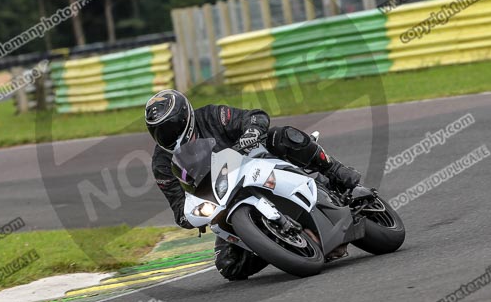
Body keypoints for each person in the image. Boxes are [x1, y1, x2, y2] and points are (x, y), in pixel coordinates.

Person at [145, 89, 361, 280]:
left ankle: (335, 170)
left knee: (282, 136)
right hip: (222, 202)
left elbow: (255, 116)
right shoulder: (161, 164)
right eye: (160, 132)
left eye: (171, 127)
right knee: (228, 266)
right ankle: (279, 247)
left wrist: (252, 131)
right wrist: (192, 216)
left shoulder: (211, 116)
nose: (167, 135)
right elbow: (178, 207)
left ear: (186, 117)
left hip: (253, 163)